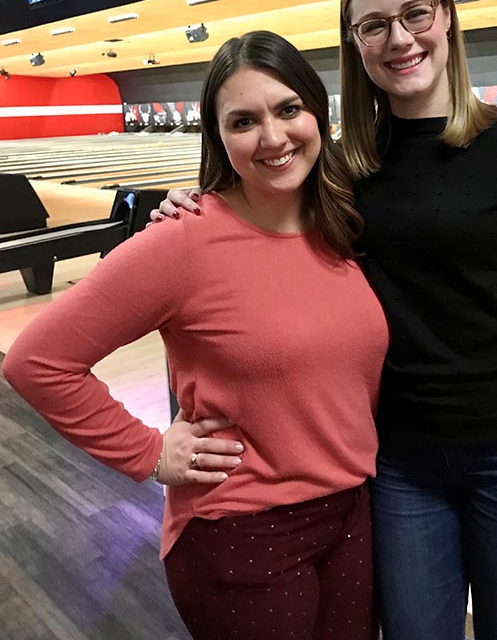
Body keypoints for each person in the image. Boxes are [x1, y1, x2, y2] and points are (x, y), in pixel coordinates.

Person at [151, 0, 497, 640]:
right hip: (401, 461)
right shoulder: (336, 170)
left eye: (416, 13)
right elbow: (259, 238)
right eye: (374, 25)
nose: (399, 38)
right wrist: (198, 204)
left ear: (448, 17)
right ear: (356, 43)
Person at [2, 31, 389, 640]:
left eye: (288, 109)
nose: (273, 138)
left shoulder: (344, 223)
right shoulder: (182, 239)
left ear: (318, 112)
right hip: (243, 531)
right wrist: (148, 452)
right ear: (217, 137)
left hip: (353, 517)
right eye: (243, 121)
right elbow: (37, 361)